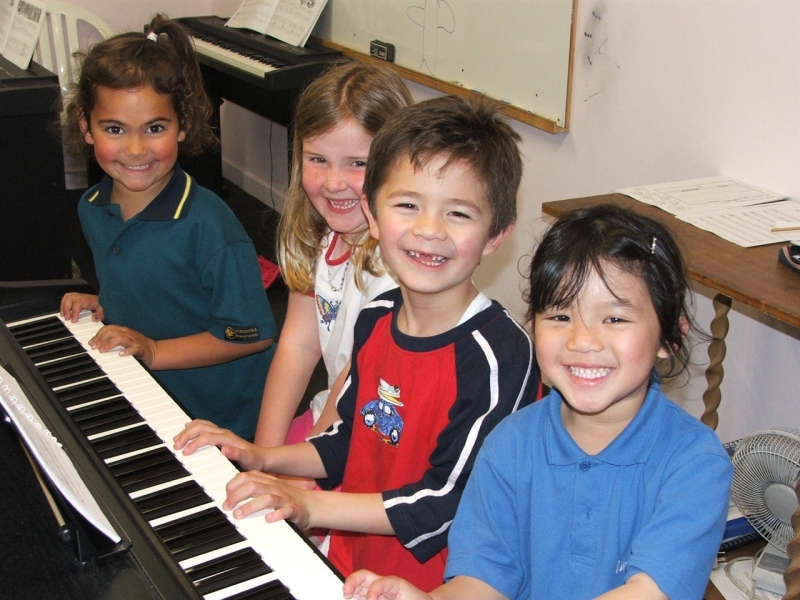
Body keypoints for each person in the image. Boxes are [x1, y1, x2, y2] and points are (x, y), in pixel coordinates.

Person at [174, 95, 540, 591]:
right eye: (407, 205)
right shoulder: (375, 320)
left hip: (427, 584)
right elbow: (348, 440)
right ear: (371, 212)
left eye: (458, 213)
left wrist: (311, 504)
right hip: (351, 559)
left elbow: (446, 500)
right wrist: (263, 457)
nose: (428, 230)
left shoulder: (500, 356)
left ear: (496, 233)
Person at [343, 203, 733, 600]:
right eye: (560, 317)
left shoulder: (694, 461)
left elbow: (650, 592)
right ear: (532, 325)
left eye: (614, 319)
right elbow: (483, 580)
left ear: (670, 336)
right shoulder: (509, 443)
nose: (583, 341)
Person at [59, 14, 276, 441]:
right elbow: (151, 285)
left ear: (184, 125)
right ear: (86, 126)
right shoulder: (91, 207)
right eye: (115, 129)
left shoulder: (210, 228)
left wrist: (154, 350)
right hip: (149, 396)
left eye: (154, 128)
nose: (136, 149)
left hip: (219, 419)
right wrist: (104, 302)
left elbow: (250, 335)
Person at [254, 60, 412, 448]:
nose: (333, 182)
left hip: (378, 435)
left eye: (357, 163)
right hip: (332, 413)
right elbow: (299, 344)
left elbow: (357, 381)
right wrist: (264, 456)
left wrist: (297, 470)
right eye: (317, 159)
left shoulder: (402, 266)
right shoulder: (317, 234)